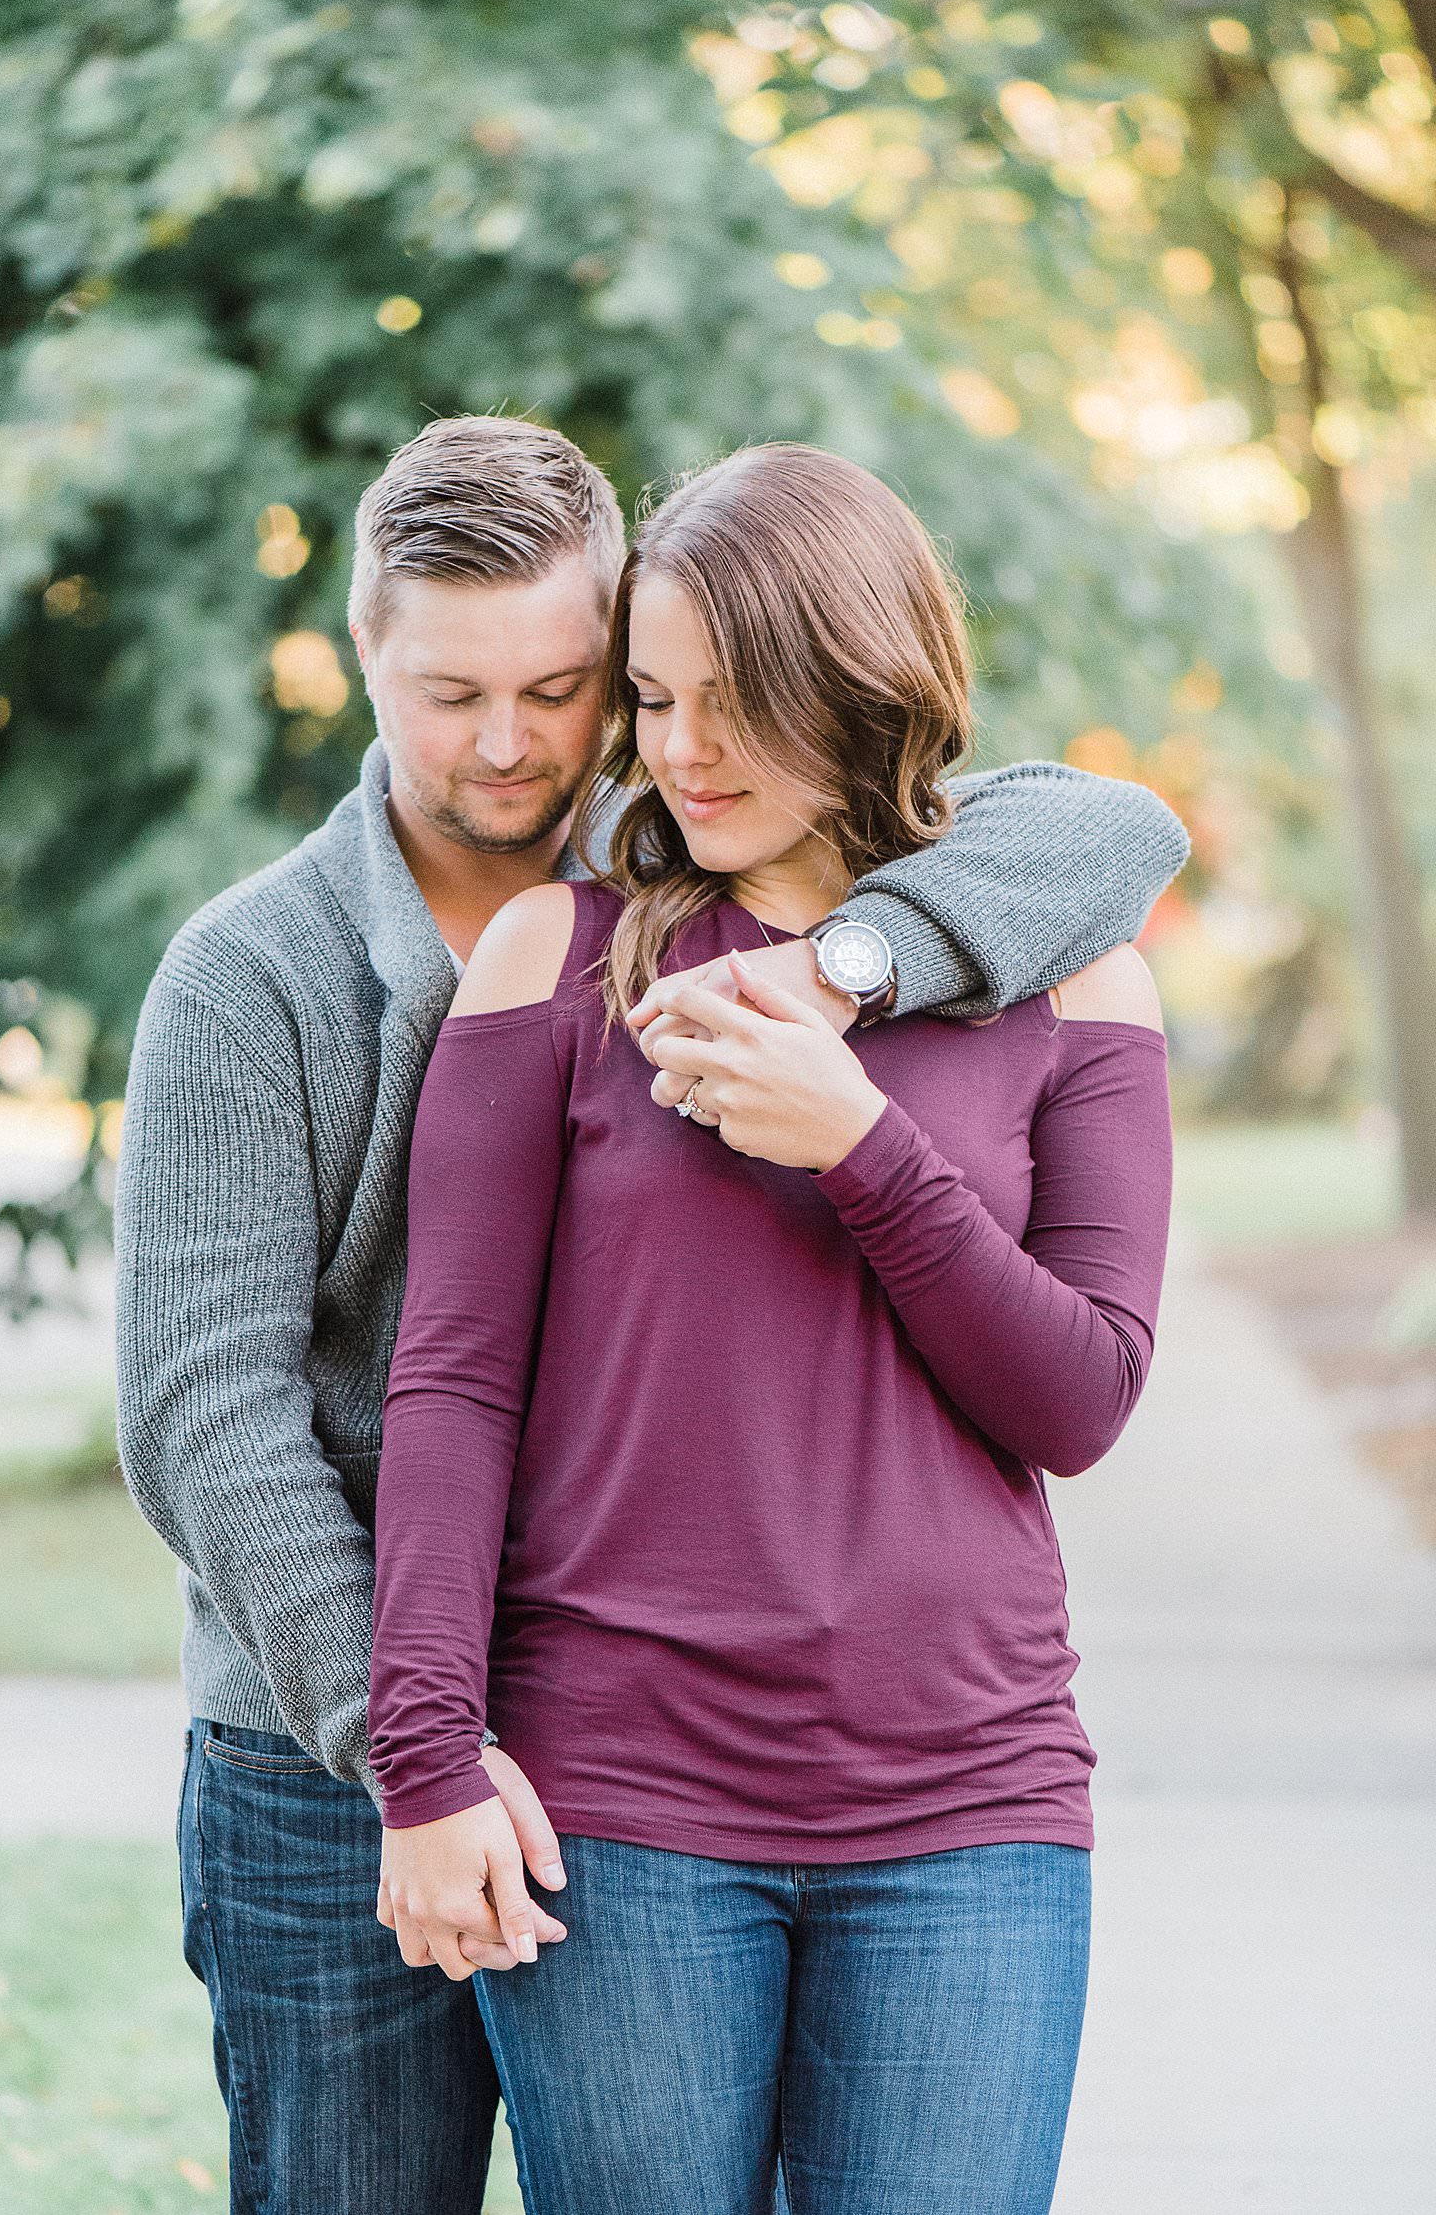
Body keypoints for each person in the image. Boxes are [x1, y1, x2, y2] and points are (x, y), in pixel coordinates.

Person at [115, 415, 1187, 2215]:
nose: (516, 738)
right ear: (362, 650)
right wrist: (419, 1750)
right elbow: (215, 1420)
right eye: (451, 690)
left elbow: (1109, 823)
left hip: (871, 1759)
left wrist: (849, 1005)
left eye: (565, 686)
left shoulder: (845, 900)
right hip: (349, 1737)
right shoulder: (280, 970)